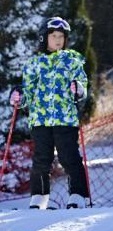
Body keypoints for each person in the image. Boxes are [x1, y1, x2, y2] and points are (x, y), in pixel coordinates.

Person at [9, 17, 89, 209]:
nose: (58, 40)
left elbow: (82, 84)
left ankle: (78, 195)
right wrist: (19, 98)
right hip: (40, 119)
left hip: (65, 118)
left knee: (69, 156)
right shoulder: (35, 63)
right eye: (53, 36)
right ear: (44, 38)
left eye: (61, 36)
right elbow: (28, 90)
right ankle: (39, 196)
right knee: (41, 159)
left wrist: (78, 89)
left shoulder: (72, 59)